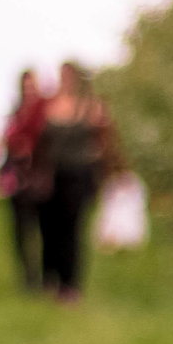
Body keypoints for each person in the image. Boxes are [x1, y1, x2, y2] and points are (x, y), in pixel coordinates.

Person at [36, 61, 115, 302]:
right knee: (49, 228)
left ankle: (70, 285)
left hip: (79, 174)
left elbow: (105, 143)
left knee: (70, 229)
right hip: (52, 174)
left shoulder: (92, 107)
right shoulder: (50, 105)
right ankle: (49, 277)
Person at [0, 69, 48, 291]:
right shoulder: (15, 115)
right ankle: (27, 277)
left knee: (41, 230)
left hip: (38, 179)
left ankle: (43, 275)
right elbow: (7, 146)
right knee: (19, 231)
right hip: (17, 180)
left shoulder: (44, 114)